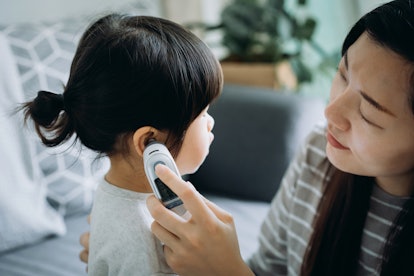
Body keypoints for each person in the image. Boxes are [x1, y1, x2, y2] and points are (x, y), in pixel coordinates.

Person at [80, 0, 414, 275]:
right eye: (342, 75)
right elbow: (269, 269)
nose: (330, 114)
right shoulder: (319, 149)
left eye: (370, 113)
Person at [22, 14, 222, 275]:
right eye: (203, 114)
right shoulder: (142, 238)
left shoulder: (118, 193)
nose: (211, 123)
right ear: (149, 141)